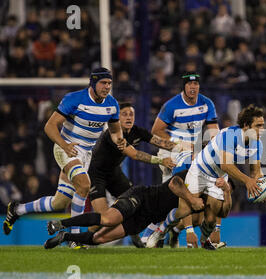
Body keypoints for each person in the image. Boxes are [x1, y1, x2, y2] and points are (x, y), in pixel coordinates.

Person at [3, 68, 126, 249]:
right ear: (93, 83)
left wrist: (119, 141)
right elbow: (50, 126)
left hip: (85, 155)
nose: (107, 87)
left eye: (109, 83)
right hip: (66, 149)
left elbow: (116, 131)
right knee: (84, 185)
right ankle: (74, 238)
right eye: (103, 83)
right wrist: (64, 145)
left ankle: (17, 209)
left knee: (59, 201)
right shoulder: (74, 99)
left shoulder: (112, 104)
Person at [146, 105, 266, 250]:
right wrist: (248, 181)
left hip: (217, 177)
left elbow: (255, 172)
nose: (262, 129)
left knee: (212, 217)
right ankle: (160, 231)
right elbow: (226, 165)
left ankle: (204, 242)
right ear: (246, 125)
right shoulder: (230, 135)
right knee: (185, 210)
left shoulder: (258, 144)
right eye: (258, 126)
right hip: (200, 169)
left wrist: (262, 187)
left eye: (263, 125)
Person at [142, 72, 221, 244]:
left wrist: (210, 148)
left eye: (196, 84)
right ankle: (151, 234)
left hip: (194, 153)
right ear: (183, 87)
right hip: (171, 150)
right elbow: (156, 131)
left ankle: (167, 232)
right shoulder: (172, 106)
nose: (193, 88)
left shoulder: (207, 104)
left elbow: (214, 132)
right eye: (189, 85)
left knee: (178, 199)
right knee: (170, 197)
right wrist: (179, 143)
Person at [87, 102, 178, 247]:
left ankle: (135, 239)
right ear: (117, 118)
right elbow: (135, 155)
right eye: (124, 114)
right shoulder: (114, 134)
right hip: (96, 174)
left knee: (133, 207)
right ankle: (77, 238)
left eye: (131, 114)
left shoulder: (137, 131)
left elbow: (160, 142)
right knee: (104, 218)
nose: (129, 117)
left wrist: (184, 146)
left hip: (114, 173)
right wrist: (162, 160)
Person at [43, 170, 206, 249]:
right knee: (108, 219)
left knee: (99, 238)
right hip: (142, 197)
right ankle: (60, 224)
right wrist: (192, 200)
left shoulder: (208, 191)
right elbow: (174, 183)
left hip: (144, 219)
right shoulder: (191, 173)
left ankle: (66, 236)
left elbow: (182, 213)